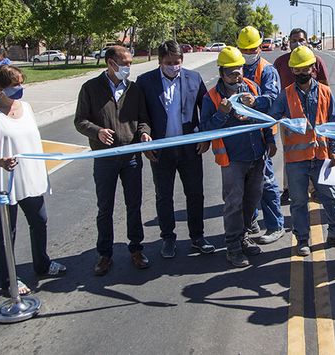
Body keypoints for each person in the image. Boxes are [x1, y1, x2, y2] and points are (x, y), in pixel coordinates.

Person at [0, 65, 66, 296]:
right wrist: (0, 161)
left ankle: (42, 264)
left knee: (39, 220)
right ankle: (8, 279)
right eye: (14, 85)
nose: (19, 88)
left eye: (21, 83)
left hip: (28, 176)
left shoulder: (26, 108)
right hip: (0, 179)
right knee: (7, 228)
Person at [74, 45, 152, 276]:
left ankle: (136, 249)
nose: (128, 67)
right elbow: (80, 121)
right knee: (105, 207)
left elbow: (142, 120)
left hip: (131, 157)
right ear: (110, 63)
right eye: (125, 63)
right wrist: (96, 131)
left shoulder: (134, 89)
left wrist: (145, 133)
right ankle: (105, 255)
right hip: (105, 157)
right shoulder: (90, 88)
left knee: (134, 205)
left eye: (130, 63)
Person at [136, 40, 215, 259]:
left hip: (190, 150)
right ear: (160, 61)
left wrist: (205, 136)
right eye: (168, 62)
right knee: (164, 196)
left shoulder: (194, 78)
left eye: (177, 62)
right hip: (161, 151)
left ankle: (197, 237)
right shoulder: (145, 82)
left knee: (195, 194)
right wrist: (145, 136)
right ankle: (168, 238)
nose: (173, 66)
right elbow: (142, 116)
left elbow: (205, 109)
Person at [267, 46, 335, 256]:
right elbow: (273, 119)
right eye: (297, 69)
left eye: (306, 68)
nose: (302, 73)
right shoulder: (285, 95)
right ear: (292, 71)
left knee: (330, 197)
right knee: (299, 201)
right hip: (296, 160)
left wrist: (334, 149)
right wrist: (273, 137)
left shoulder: (325, 91)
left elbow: (334, 122)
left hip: (322, 157)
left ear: (314, 68)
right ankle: (302, 239)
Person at [200, 46, 275, 267]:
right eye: (232, 71)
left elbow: (265, 117)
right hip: (233, 159)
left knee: (253, 198)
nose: (237, 75)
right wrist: (221, 114)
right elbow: (206, 128)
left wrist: (270, 141)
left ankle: (243, 236)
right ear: (222, 73)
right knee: (234, 202)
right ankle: (233, 246)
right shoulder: (212, 97)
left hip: (256, 155)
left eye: (240, 69)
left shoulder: (251, 87)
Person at [236, 26, 285, 244]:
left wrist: (256, 102)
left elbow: (273, 100)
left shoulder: (267, 70)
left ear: (259, 47)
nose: (248, 53)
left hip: (262, 134)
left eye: (251, 49)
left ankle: (275, 225)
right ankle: (251, 221)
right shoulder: (235, 66)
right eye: (243, 49)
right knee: (246, 182)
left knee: (266, 181)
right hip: (240, 135)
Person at [273, 28, 330, 204]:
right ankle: (289, 188)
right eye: (294, 40)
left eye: (301, 40)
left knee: (316, 150)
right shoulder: (281, 62)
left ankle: (316, 188)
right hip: (289, 117)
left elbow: (324, 85)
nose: (297, 43)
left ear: (307, 42)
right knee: (291, 152)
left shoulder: (316, 61)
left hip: (314, 116)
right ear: (288, 42)